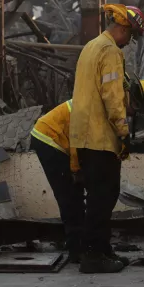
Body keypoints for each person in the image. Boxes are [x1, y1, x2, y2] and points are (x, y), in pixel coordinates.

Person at [70, 4, 144, 274]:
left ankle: (101, 250)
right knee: (103, 198)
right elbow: (112, 97)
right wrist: (123, 131)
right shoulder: (110, 51)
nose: (129, 43)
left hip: (84, 135)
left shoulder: (91, 46)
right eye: (131, 36)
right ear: (123, 28)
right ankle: (93, 256)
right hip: (101, 137)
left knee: (99, 197)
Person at [30, 100, 84, 260]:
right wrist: (76, 170)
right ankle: (77, 251)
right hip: (48, 139)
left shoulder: (102, 101)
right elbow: (77, 140)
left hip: (56, 137)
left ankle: (77, 244)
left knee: (75, 195)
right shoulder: (94, 108)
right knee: (70, 196)